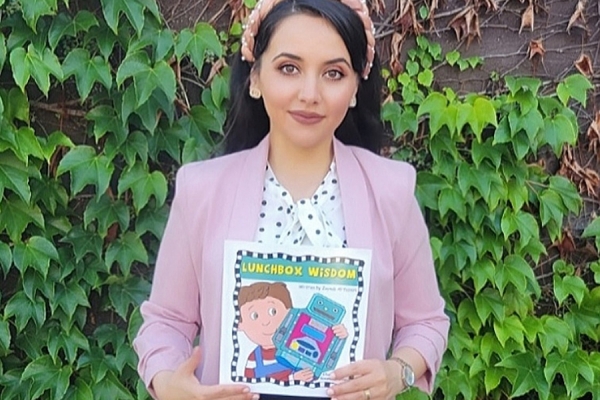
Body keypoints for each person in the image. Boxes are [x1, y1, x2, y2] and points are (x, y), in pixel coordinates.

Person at [133, 0, 450, 399]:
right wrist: (169, 384)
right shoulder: (202, 190)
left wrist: (398, 371)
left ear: (355, 87)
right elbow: (165, 320)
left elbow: (426, 322)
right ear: (255, 77)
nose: (309, 93)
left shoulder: (391, 191)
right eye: (289, 68)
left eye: (334, 73)